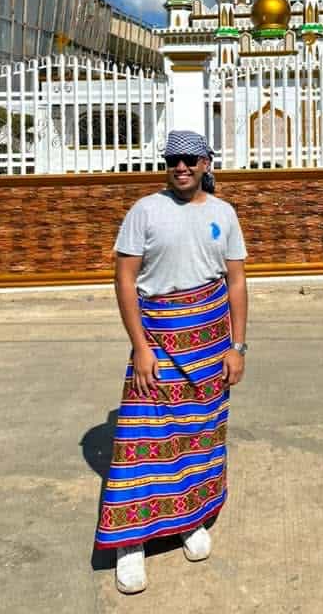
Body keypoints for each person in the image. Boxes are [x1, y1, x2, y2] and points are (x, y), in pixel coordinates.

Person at [94, 130, 248, 594]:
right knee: (142, 441)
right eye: (173, 159)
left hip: (209, 344)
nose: (181, 167)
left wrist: (237, 348)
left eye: (189, 159)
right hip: (158, 341)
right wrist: (139, 345)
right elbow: (125, 279)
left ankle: (190, 520)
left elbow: (236, 284)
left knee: (198, 435)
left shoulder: (224, 213)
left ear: (206, 163)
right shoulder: (145, 210)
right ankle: (130, 544)